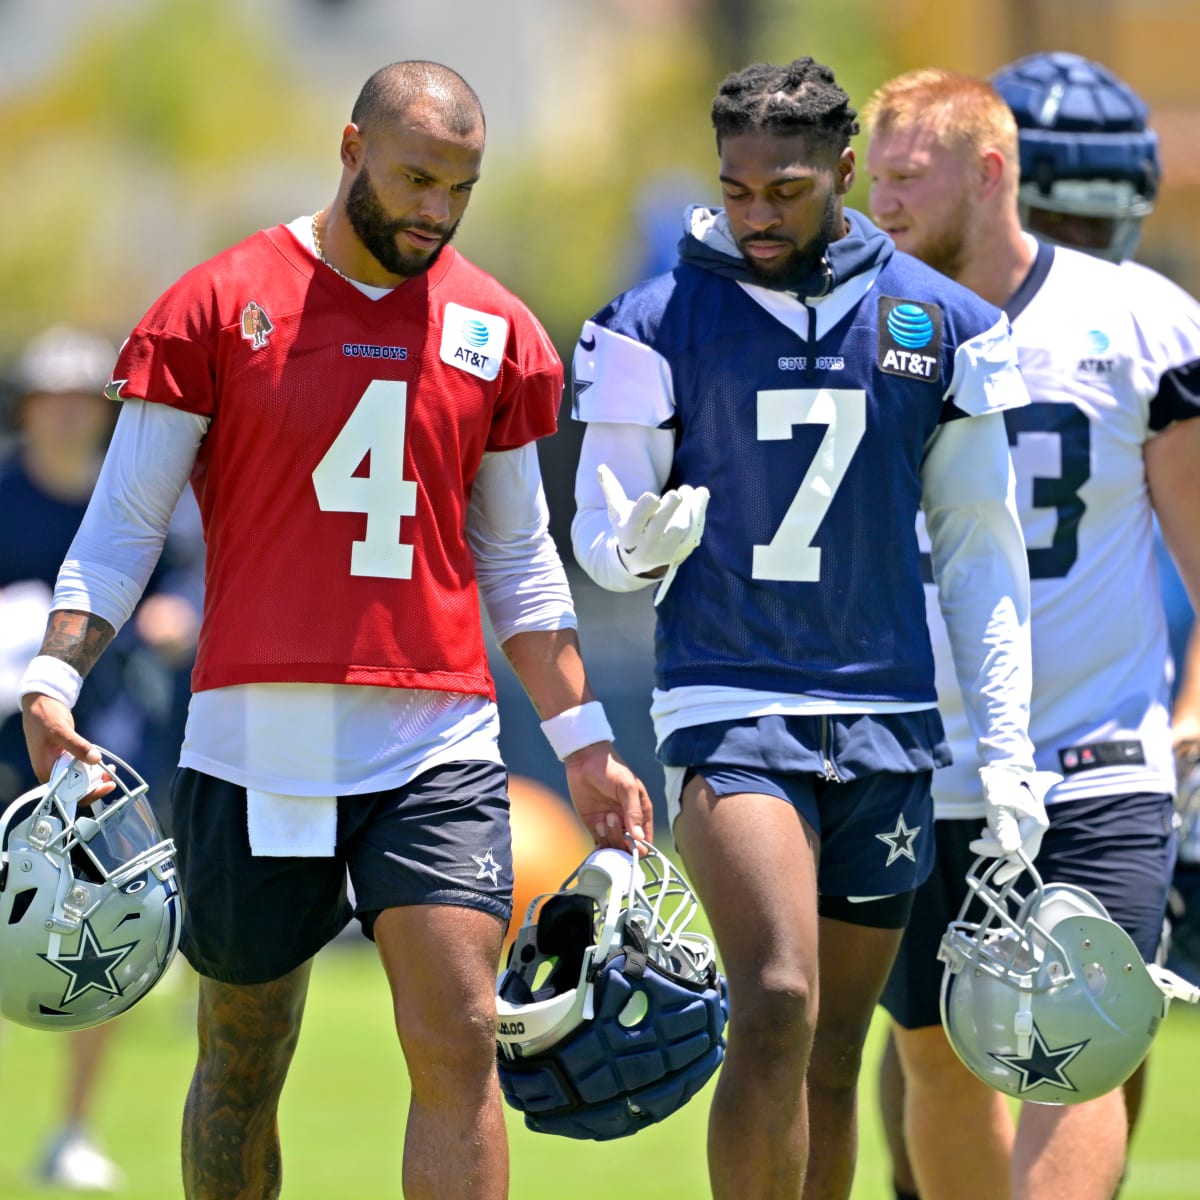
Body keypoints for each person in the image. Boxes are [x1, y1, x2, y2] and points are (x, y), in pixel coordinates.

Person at [17, 60, 652, 1200]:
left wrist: (586, 740)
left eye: (460, 188)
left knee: (460, 1037)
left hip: (436, 735)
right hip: (259, 735)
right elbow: (124, 522)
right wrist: (56, 673)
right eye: (415, 178)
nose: (435, 211)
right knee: (244, 1059)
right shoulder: (215, 303)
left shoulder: (497, 327)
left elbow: (518, 557)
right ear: (349, 148)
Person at [570, 55, 1045, 1200]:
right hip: (733, 700)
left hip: (887, 716)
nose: (757, 214)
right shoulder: (656, 316)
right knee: (778, 998)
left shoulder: (943, 323)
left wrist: (1010, 746)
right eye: (737, 190)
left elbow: (982, 548)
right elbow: (598, 531)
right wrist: (636, 545)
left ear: (842, 171)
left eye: (785, 190)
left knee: (834, 1053)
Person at [863, 62, 1200, 1200]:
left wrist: (1191, 723)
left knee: (1079, 1044)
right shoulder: (857, 323)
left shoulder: (1140, 320)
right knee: (939, 1055)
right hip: (919, 762)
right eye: (878, 180)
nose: (885, 206)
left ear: (990, 171)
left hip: (1092, 757)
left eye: (909, 178)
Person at [0, 325, 199, 1192]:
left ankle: (72, 1127)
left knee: (95, 928)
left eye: (87, 398)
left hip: (99, 741)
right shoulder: (4, 494)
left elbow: (190, 575)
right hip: (3, 731)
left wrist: (175, 618)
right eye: (55, 397)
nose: (70, 414)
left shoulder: (135, 494)